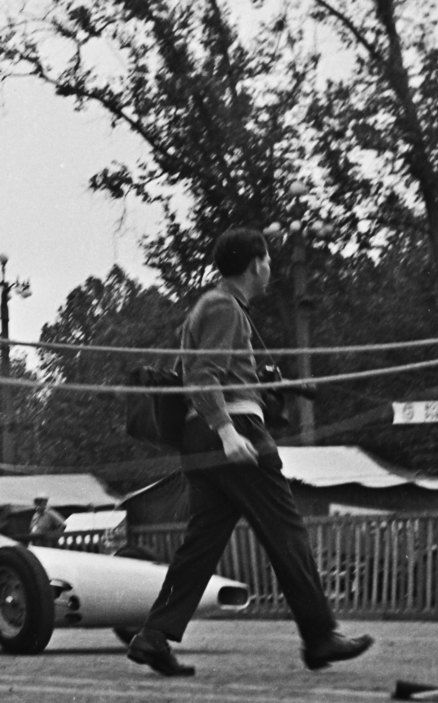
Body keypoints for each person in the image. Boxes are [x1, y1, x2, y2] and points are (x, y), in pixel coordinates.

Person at [126, 227, 374, 677]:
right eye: (268, 262)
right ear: (256, 263)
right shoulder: (223, 307)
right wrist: (227, 430)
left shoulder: (213, 306)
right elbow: (203, 376)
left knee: (200, 546)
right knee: (287, 532)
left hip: (200, 439)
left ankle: (154, 636)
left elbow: (207, 372)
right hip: (234, 430)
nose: (271, 270)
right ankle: (319, 637)